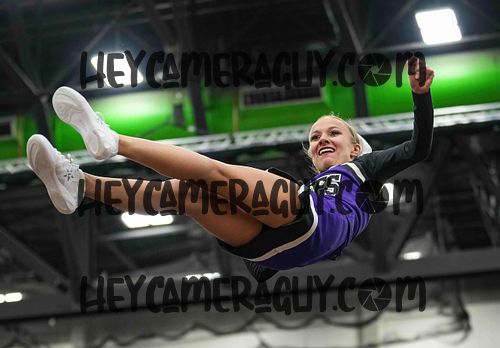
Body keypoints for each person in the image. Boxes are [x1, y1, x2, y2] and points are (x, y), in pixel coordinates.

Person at [26, 59, 433, 280]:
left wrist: (421, 95)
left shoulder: (363, 170)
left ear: (356, 147)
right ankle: (80, 184)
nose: (322, 139)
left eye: (333, 133)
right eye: (314, 137)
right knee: (184, 195)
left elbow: (419, 147)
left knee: (214, 174)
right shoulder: (324, 187)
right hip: (271, 251)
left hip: (307, 223)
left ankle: (114, 140)